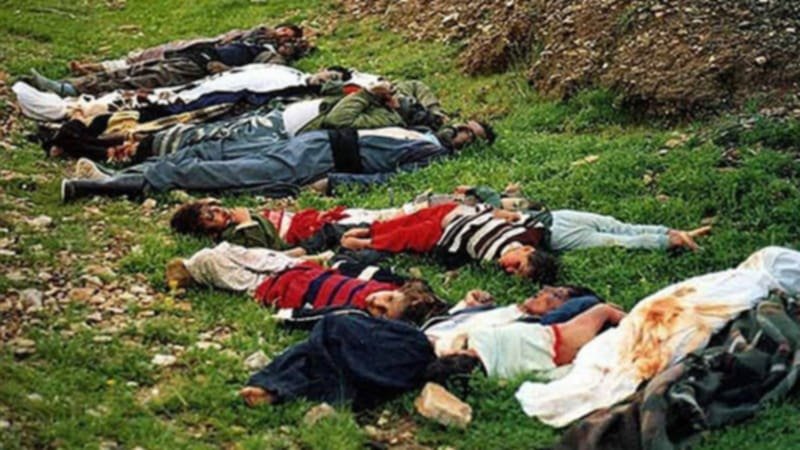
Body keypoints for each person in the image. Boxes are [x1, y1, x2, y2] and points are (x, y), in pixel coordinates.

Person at [515, 246, 800, 427]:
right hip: (683, 304)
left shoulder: (747, 276)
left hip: (681, 305)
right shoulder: (754, 278)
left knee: (661, 329)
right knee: (661, 326)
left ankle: (629, 355)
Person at [238, 294, 625, 409]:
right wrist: (465, 305)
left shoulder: (538, 329)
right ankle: (279, 388)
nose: (541, 295)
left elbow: (604, 312)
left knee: (335, 329)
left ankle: (277, 385)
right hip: (416, 337)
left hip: (422, 350)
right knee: (335, 343)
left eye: (553, 297)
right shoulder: (499, 309)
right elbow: (450, 322)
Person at [60, 122, 492, 202]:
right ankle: (118, 174)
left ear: (469, 147)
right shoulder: (423, 130)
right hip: (310, 141)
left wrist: (334, 184)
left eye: (470, 135)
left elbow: (385, 178)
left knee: (217, 174)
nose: (462, 131)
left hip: (314, 163)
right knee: (213, 152)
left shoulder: (432, 155)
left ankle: (98, 187)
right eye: (466, 125)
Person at [48, 79, 449, 163]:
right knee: (189, 131)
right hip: (276, 117)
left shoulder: (381, 115)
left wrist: (369, 95)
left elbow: (338, 120)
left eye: (403, 99)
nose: (398, 94)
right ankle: (80, 140)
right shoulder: (385, 102)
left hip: (280, 133)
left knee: (190, 143)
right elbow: (334, 97)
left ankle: (81, 144)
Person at [164, 242, 446, 325]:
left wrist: (285, 316)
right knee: (235, 251)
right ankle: (198, 263)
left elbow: (315, 317)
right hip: (295, 268)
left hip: (269, 287)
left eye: (383, 311)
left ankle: (190, 270)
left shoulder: (357, 315)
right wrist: (334, 263)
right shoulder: (389, 286)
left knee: (211, 262)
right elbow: (364, 271)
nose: (377, 302)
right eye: (388, 298)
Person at [14, 64, 371, 122]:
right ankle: (71, 103)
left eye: (330, 78)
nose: (324, 76)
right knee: (149, 91)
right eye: (328, 71)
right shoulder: (289, 72)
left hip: (216, 98)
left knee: (152, 106)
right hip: (208, 86)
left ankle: (69, 111)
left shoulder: (298, 87)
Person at [25, 25, 309, 96]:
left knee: (138, 80)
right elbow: (235, 35)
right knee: (134, 69)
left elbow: (259, 72)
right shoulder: (254, 38)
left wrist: (222, 69)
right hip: (193, 53)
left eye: (290, 42)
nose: (284, 41)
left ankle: (70, 91)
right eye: (284, 36)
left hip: (199, 67)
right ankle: (71, 84)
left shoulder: (268, 56)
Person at [168, 198, 418, 249]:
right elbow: (260, 249)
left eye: (214, 206)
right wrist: (246, 223)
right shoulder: (232, 236)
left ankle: (413, 209)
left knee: (358, 213)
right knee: (368, 222)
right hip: (309, 233)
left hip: (310, 220)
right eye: (210, 217)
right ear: (207, 232)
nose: (219, 211)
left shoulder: (236, 219)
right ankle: (414, 215)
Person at [67, 24, 304, 75]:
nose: (284, 34)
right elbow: (234, 34)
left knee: (154, 67)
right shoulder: (257, 32)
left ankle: (98, 72)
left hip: (209, 57)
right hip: (204, 45)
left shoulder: (267, 50)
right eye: (284, 30)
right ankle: (96, 68)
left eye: (289, 36)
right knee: (148, 55)